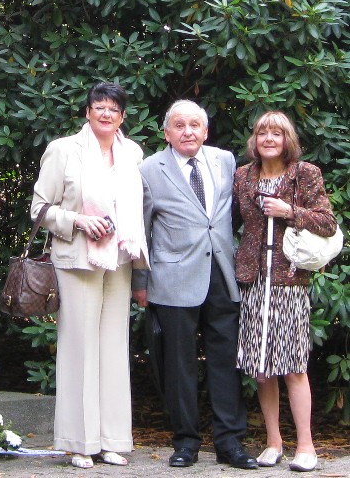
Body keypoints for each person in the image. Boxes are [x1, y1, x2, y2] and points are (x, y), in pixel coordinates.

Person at [132, 99, 258, 470]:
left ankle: (230, 443)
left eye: (194, 125)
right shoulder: (148, 169)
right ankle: (185, 442)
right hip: (172, 279)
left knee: (225, 361)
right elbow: (142, 229)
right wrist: (141, 282)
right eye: (179, 125)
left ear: (205, 131)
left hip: (221, 273)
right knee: (179, 365)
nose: (188, 131)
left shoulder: (225, 160)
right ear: (167, 132)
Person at [31, 81, 148, 469]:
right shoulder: (64, 149)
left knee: (113, 348)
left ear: (122, 116)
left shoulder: (132, 152)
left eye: (113, 109)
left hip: (119, 257)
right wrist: (78, 220)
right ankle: (80, 443)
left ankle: (111, 440)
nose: (105, 113)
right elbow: (39, 209)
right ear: (87, 112)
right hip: (78, 258)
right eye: (98, 106)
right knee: (80, 348)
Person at [233, 111, 338, 472]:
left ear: (287, 139)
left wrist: (289, 210)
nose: (269, 139)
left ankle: (306, 445)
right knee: (262, 369)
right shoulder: (243, 176)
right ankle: (273, 441)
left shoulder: (305, 173)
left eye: (277, 133)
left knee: (292, 364)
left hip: (289, 280)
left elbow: (327, 222)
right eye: (263, 133)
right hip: (252, 279)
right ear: (255, 140)